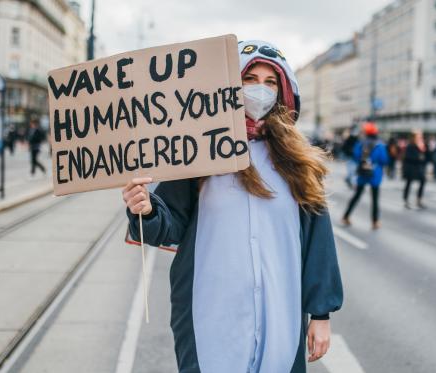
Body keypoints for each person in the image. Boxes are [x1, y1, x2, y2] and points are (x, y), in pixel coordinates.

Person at [123, 40, 343, 373]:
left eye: (270, 82)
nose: (259, 90)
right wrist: (146, 210)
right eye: (250, 79)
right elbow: (169, 223)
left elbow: (318, 244)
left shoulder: (299, 163)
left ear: (283, 91)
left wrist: (321, 316)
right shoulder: (199, 149)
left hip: (280, 312)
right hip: (209, 308)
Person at [341, 122, 389, 230]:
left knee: (356, 195)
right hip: (375, 174)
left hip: (362, 173)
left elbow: (356, 156)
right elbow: (384, 159)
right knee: (375, 198)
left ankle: (346, 216)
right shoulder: (380, 145)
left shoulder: (361, 144)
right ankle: (375, 221)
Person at [402, 131, 427, 209]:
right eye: (418, 137)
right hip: (410, 168)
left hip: (417, 168)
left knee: (423, 180)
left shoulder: (420, 146)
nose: (419, 138)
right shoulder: (410, 146)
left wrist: (424, 149)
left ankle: (419, 200)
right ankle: (406, 200)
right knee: (408, 183)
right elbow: (408, 157)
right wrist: (418, 157)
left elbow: (426, 156)